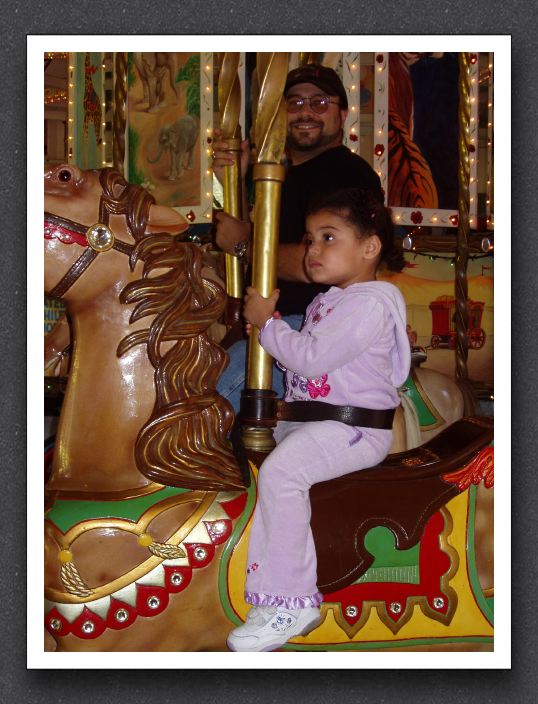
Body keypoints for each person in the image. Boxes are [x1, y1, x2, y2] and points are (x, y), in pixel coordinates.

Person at [226, 187, 411, 652]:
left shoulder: (369, 302)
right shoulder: (331, 300)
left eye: (329, 238)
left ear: (370, 247)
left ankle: (291, 602)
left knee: (284, 473)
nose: (312, 250)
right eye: (309, 239)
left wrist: (267, 324)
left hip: (353, 429)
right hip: (315, 422)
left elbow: (309, 360)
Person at [213, 64, 384, 413]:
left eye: (319, 103)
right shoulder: (287, 176)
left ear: (343, 113)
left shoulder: (345, 173)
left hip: (309, 324)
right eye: (294, 103)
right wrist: (237, 179)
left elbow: (322, 268)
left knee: (208, 403)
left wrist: (243, 246)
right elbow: (266, 242)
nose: (305, 111)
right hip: (275, 317)